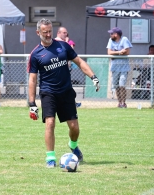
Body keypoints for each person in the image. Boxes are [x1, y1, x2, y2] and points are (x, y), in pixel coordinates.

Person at [28, 18, 100, 168]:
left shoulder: (63, 46)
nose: (48, 34)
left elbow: (79, 62)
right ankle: (50, 159)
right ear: (38, 32)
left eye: (50, 31)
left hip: (66, 92)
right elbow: (33, 79)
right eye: (44, 32)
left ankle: (73, 145)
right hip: (48, 93)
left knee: (74, 127)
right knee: (50, 123)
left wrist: (93, 76)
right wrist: (32, 103)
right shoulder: (35, 54)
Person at [55, 27, 81, 108]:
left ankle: (72, 102)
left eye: (66, 33)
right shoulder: (54, 41)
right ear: (58, 33)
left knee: (67, 86)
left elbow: (70, 52)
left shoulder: (69, 42)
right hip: (56, 68)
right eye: (64, 33)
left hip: (66, 68)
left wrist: (66, 42)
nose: (66, 34)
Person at [106, 27, 133, 108]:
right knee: (116, 86)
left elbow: (127, 51)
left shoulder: (124, 39)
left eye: (112, 33)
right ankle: (119, 102)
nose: (110, 35)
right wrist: (119, 52)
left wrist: (116, 54)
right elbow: (109, 52)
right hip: (114, 67)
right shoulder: (111, 40)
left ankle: (123, 103)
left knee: (122, 85)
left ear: (116, 34)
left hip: (124, 67)